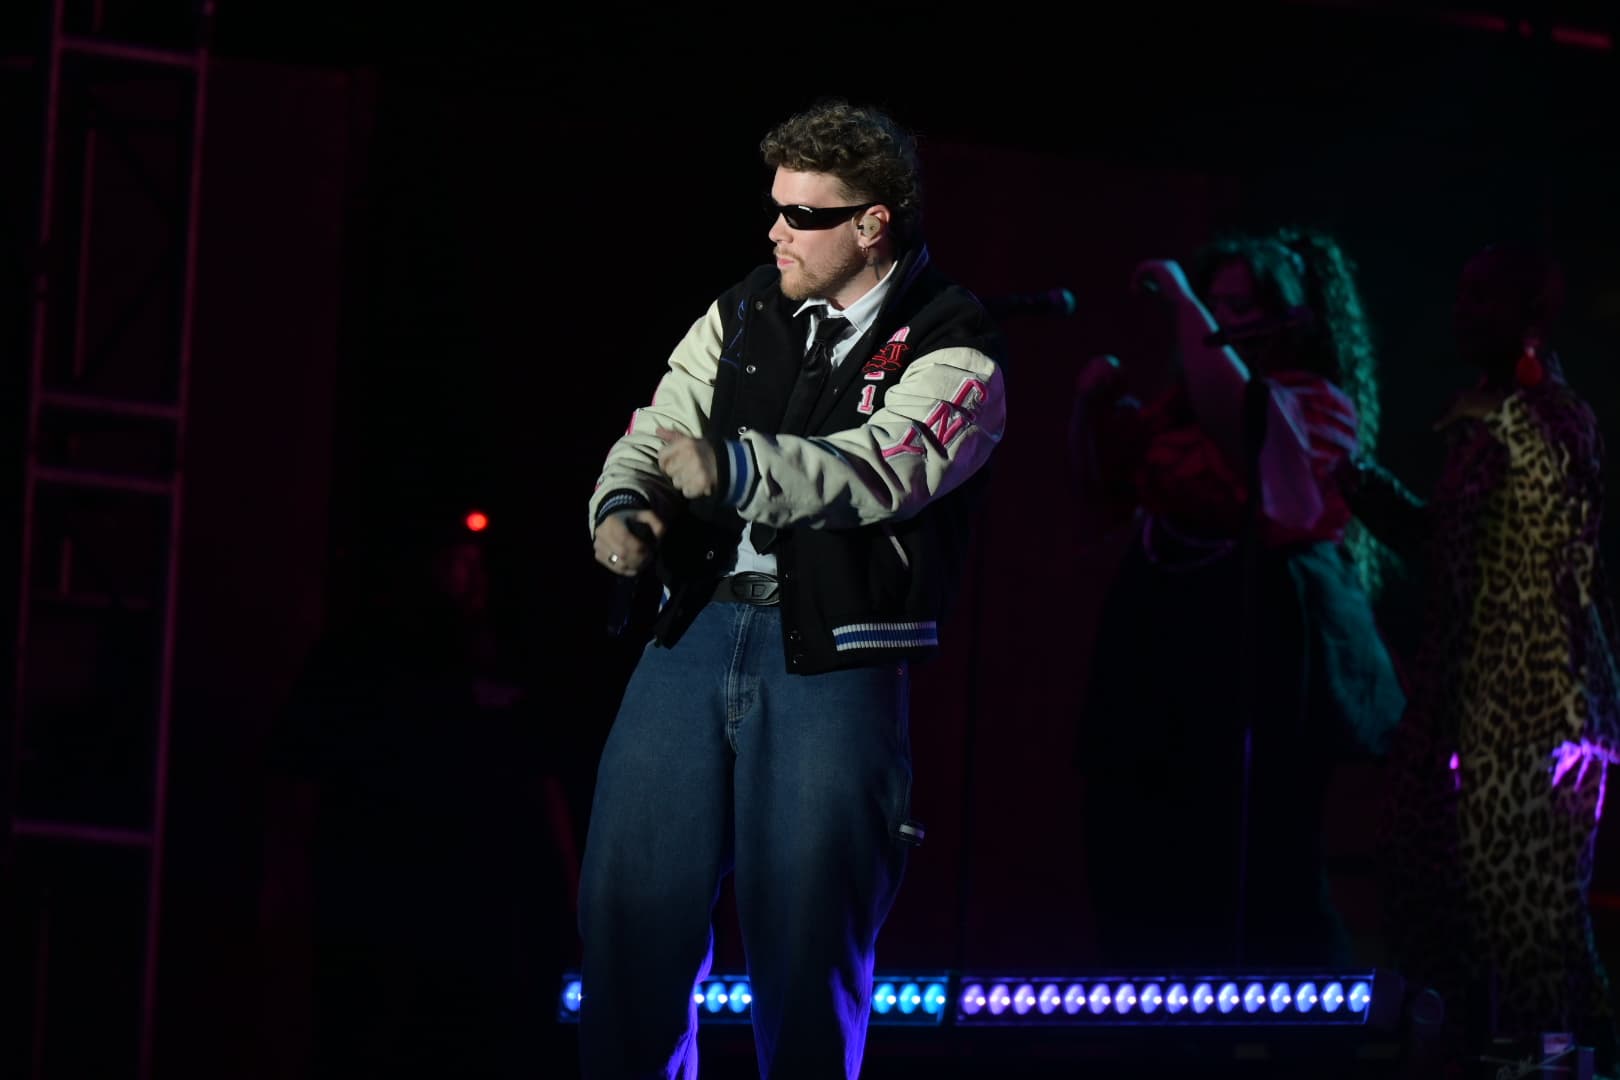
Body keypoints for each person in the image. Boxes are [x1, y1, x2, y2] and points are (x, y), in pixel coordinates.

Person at [578, 99, 1007, 1079]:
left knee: (809, 944)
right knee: (630, 918)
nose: (777, 230)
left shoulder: (957, 338)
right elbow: (660, 423)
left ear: (873, 223)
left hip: (839, 657)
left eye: (803, 214)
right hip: (695, 627)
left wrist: (734, 468)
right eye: (775, 207)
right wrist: (623, 507)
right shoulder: (742, 308)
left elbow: (884, 468)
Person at [1066, 225, 1405, 969]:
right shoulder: (1176, 409)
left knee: (1264, 858)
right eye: (1213, 303)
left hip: (1263, 644)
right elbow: (1102, 501)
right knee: (1145, 850)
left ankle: (1288, 1024)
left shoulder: (1313, 403)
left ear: (1292, 318)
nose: (1218, 319)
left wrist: (1182, 301)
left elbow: (1245, 430)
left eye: (1239, 306)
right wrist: (1092, 412)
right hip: (1166, 641)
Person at [1352, 242, 1620, 1072]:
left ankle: (1579, 1064)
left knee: (1534, 928)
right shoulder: (1482, 421)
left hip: (1539, 707)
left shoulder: (1555, 419)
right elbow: (1450, 551)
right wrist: (1356, 484)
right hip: (1467, 702)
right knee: (1440, 911)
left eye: (1484, 300)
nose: (1463, 314)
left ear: (1532, 317)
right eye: (1461, 297)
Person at [258, 506, 576, 1078]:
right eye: (457, 561)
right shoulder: (358, 660)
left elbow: (540, 778)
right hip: (376, 907)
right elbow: (297, 775)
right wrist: (285, 881)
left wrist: (572, 890)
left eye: (477, 564)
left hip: (479, 918)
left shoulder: (498, 663)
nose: (472, 579)